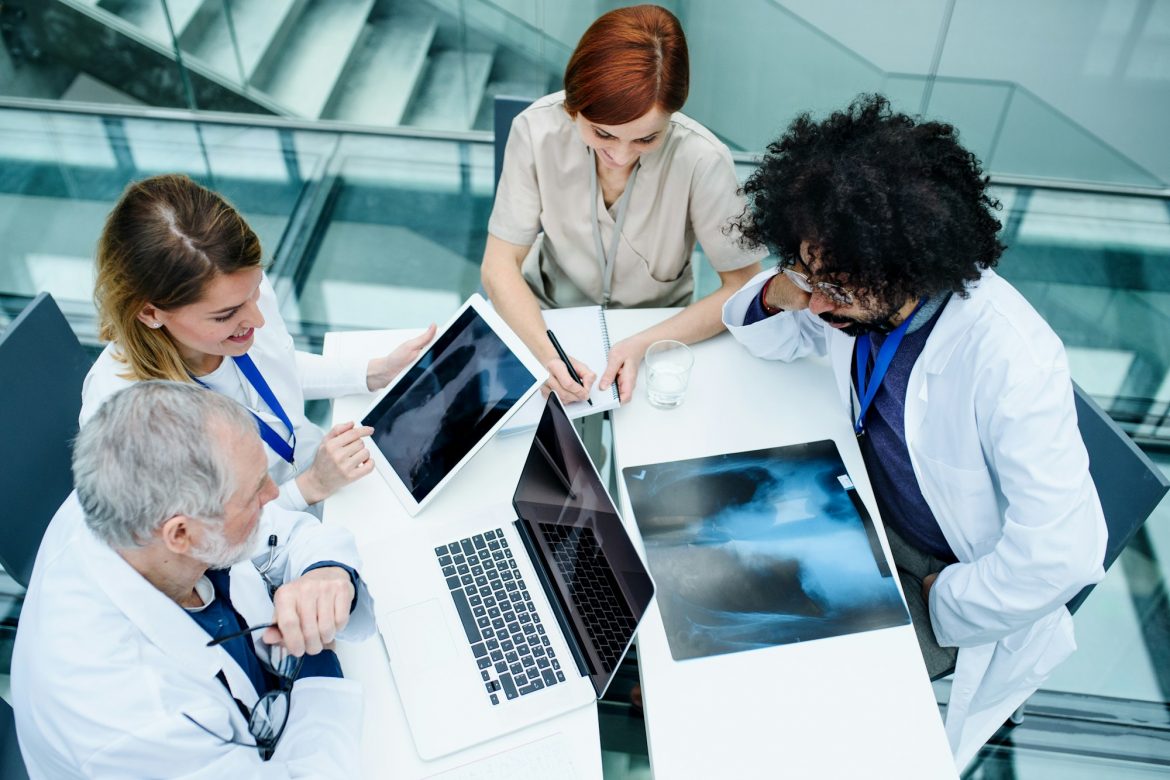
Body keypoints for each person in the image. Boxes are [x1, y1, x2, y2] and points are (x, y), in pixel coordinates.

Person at [721, 95, 1107, 765]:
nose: (820, 303)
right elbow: (770, 338)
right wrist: (783, 290)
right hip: (860, 512)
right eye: (810, 273)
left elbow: (1065, 554)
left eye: (838, 288)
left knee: (804, 708)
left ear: (908, 268)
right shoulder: (851, 290)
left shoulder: (1010, 357)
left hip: (943, 572)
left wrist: (946, 598)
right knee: (719, 594)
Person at [13, 381, 376, 777]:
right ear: (181, 534)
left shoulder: (140, 493)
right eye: (255, 491)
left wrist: (325, 572)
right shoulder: (137, 718)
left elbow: (287, 534)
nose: (274, 493)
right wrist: (318, 662)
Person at [81, 173, 436, 512]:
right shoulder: (130, 421)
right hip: (269, 533)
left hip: (331, 474)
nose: (257, 319)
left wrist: (374, 372)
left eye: (255, 291)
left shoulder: (238, 294)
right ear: (149, 313)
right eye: (226, 315)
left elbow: (277, 368)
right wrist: (309, 487)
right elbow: (202, 537)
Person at [482, 4, 763, 403]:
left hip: (656, 328)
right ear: (573, 107)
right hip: (548, 317)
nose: (622, 155)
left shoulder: (703, 158)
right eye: (603, 134)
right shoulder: (535, 130)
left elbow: (743, 287)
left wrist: (644, 344)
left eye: (647, 139)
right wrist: (547, 354)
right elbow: (499, 265)